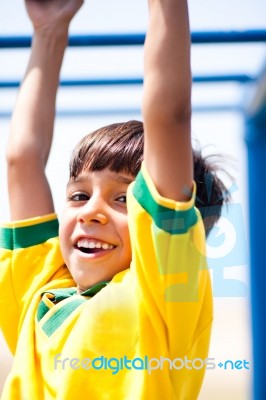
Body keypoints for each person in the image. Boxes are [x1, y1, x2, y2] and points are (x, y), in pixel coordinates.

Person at [0, 0, 228, 398]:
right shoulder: (43, 290)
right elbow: (22, 159)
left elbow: (169, 116)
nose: (91, 211)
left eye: (123, 200)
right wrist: (49, 32)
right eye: (79, 195)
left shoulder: (162, 291)